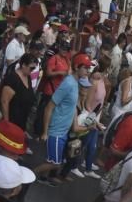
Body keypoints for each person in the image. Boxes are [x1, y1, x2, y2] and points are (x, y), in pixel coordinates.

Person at [36, 53, 91, 181]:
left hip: (63, 131)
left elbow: (71, 108)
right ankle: (29, 175)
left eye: (89, 68)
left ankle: (42, 178)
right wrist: (45, 132)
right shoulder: (69, 84)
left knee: (53, 159)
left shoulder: (75, 83)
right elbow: (49, 106)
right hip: (56, 131)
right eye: (86, 67)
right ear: (77, 67)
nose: (88, 71)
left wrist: (76, 125)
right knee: (55, 163)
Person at [0, 53, 38, 133]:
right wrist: (6, 123)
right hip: (13, 120)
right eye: (31, 68)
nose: (33, 70)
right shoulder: (12, 79)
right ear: (23, 65)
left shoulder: (27, 77)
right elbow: (4, 102)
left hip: (22, 120)